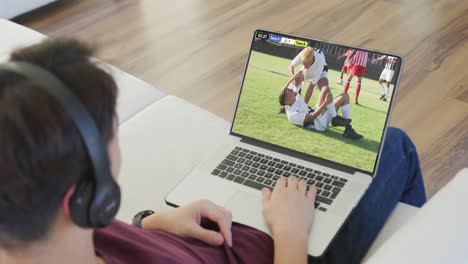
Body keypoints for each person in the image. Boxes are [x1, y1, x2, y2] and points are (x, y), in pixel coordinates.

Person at [0, 38, 427, 264]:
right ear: (85, 198)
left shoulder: (48, 228)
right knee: (397, 147)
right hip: (288, 246)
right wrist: (292, 233)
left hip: (227, 231)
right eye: (111, 133)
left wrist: (151, 225)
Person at [278, 79, 363, 139]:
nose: (290, 89)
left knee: (345, 96)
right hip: (318, 124)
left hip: (320, 115)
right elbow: (311, 118)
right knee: (325, 89)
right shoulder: (292, 115)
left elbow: (298, 78)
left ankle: (348, 129)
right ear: (287, 100)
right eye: (289, 91)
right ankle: (335, 118)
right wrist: (325, 103)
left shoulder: (294, 97)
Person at [278, 46, 331, 114]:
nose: (304, 66)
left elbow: (310, 88)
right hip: (311, 66)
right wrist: (294, 79)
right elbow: (290, 66)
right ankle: (285, 107)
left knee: (325, 89)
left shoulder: (319, 63)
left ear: (311, 60)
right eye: (303, 63)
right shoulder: (303, 55)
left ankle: (322, 113)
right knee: (297, 80)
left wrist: (304, 107)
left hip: (322, 69)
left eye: (306, 64)